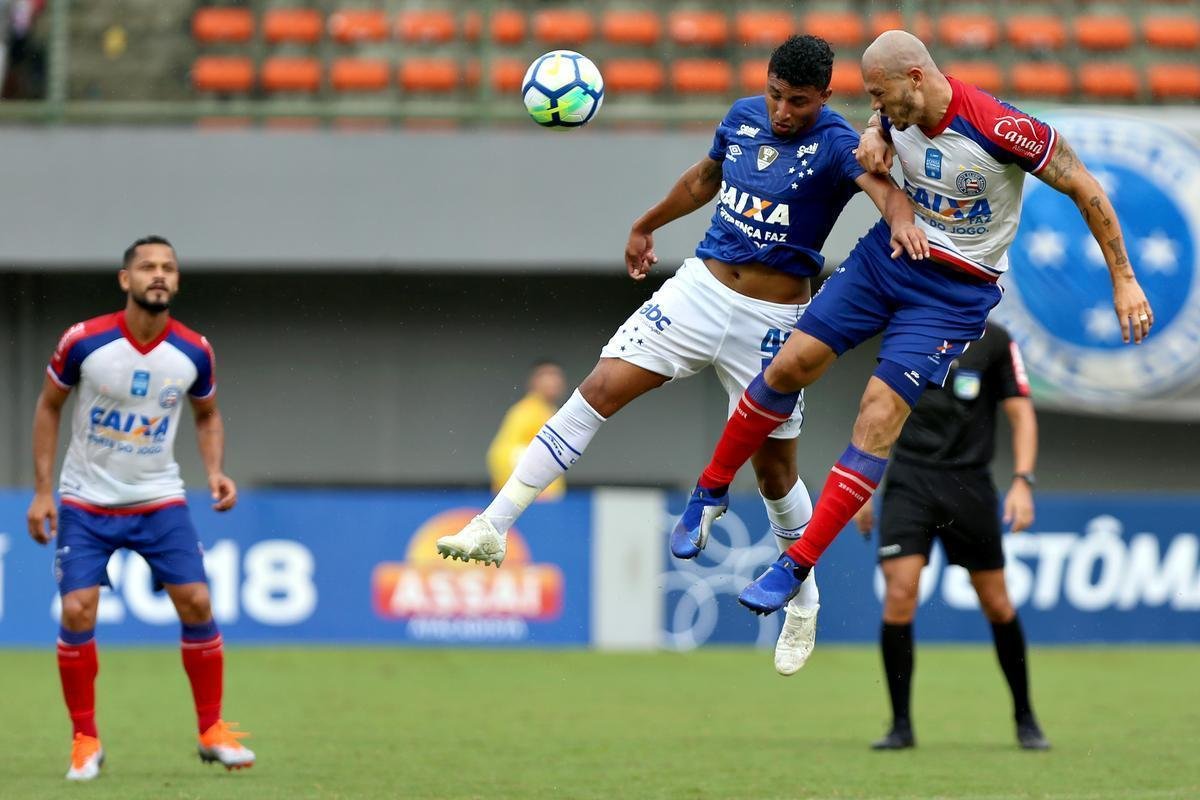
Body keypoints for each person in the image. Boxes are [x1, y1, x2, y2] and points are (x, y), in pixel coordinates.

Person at [436, 35, 927, 675]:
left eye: (798, 102)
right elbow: (704, 178)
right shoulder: (744, 116)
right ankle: (494, 525)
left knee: (775, 474)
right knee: (600, 388)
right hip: (700, 290)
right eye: (776, 95)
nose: (782, 111)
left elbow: (884, 188)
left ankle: (802, 599)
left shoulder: (836, 142)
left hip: (774, 322)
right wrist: (647, 224)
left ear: (824, 98)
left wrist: (901, 219)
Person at [676, 30, 1155, 615]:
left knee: (877, 413)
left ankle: (794, 564)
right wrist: (876, 132)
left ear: (917, 79)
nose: (873, 108)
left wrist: (1124, 276)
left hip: (955, 292)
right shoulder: (892, 116)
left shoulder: (1000, 127)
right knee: (789, 365)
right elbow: (877, 131)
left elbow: (1082, 185)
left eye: (880, 97)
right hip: (890, 256)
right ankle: (710, 488)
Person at [26, 235, 255, 781]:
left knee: (197, 601)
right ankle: (85, 740)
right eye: (147, 267)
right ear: (124, 279)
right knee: (78, 611)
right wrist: (41, 490)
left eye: (169, 268)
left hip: (159, 499)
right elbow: (48, 406)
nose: (159, 275)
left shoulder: (194, 351)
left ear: (177, 281)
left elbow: (207, 415)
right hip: (86, 500)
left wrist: (216, 470)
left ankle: (212, 731)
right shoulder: (84, 341)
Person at [851, 322, 1049, 751]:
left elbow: (1022, 414)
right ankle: (900, 725)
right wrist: (860, 485)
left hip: (969, 486)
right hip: (909, 482)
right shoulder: (909, 328)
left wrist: (1022, 480)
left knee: (996, 602)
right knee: (900, 594)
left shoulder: (996, 340)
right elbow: (876, 410)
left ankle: (1025, 717)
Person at [486, 360, 568, 500]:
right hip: (532, 500)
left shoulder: (550, 411)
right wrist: (519, 493)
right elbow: (501, 454)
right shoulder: (526, 411)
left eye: (556, 375)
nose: (553, 381)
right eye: (546, 375)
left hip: (548, 497)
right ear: (533, 381)